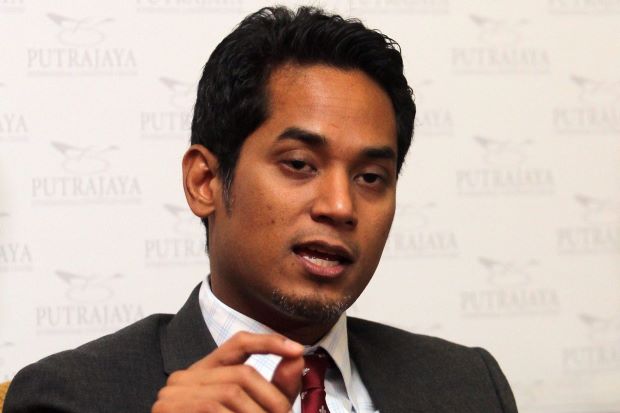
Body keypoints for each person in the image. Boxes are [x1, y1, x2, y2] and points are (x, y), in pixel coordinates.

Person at [4, 6, 518, 413]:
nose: (341, 207)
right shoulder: (70, 396)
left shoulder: (469, 385)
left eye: (370, 177)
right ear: (205, 182)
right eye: (299, 164)